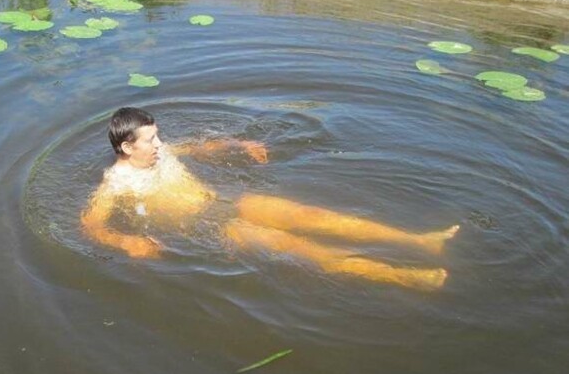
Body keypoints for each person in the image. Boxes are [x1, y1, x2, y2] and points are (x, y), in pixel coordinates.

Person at [81, 107, 459, 290]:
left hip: (225, 201)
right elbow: (90, 224)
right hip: (209, 227)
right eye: (151, 140)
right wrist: (126, 241)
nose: (161, 144)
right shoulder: (115, 183)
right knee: (298, 245)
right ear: (127, 147)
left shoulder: (164, 152)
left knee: (313, 215)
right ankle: (404, 277)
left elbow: (199, 146)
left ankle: (418, 240)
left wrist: (238, 142)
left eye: (159, 136)